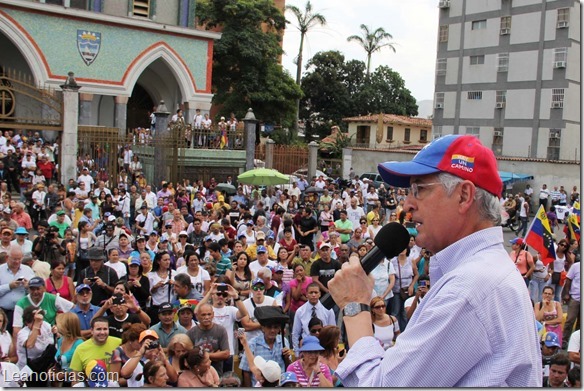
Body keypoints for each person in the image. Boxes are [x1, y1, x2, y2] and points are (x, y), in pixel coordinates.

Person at [329, 134, 541, 386]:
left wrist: (355, 305)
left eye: (419, 190)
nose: (407, 204)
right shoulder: (486, 271)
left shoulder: (467, 290)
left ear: (463, 196)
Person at [186, 303, 230, 376]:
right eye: (203, 315)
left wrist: (203, 355)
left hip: (217, 373)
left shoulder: (221, 330)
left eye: (209, 314)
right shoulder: (191, 333)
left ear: (213, 314)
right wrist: (215, 355)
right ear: (197, 316)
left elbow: (226, 354)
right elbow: (189, 356)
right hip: (197, 374)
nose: (206, 317)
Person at [292, 283, 335, 356]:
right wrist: (297, 353)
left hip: (323, 346)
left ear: (320, 294)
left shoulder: (328, 310)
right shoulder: (300, 311)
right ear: (306, 294)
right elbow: (295, 334)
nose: (313, 295)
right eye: (311, 292)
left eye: (316, 292)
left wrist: (331, 351)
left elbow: (333, 331)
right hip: (306, 347)